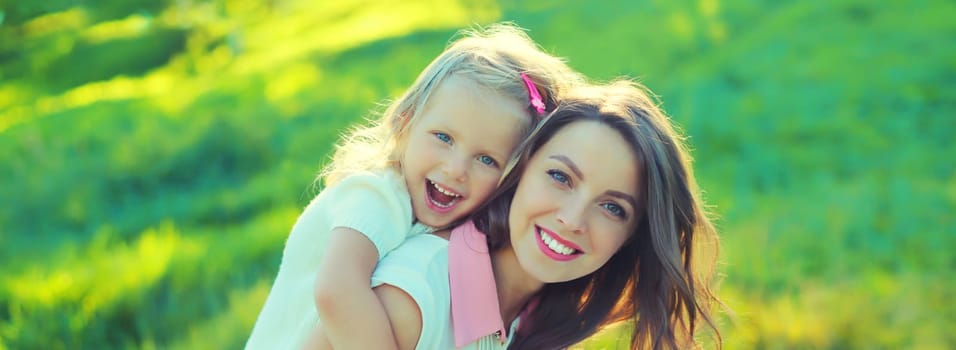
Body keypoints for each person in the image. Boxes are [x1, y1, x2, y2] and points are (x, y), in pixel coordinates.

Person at [244, 23, 583, 350]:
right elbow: (337, 290)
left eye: (486, 160)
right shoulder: (377, 194)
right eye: (443, 138)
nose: (455, 169)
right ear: (406, 122)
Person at [365, 81, 724, 349]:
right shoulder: (416, 294)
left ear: (632, 236)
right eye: (560, 177)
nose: (572, 219)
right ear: (520, 167)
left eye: (613, 208)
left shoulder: (538, 316)